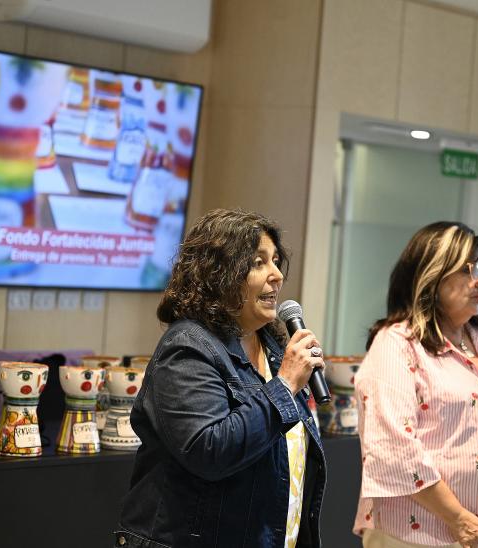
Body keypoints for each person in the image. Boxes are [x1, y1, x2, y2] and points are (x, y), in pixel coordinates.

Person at [115, 208, 326, 548]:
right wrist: (285, 385)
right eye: (258, 262)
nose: (276, 275)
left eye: (275, 260)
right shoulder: (187, 347)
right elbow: (210, 451)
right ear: (219, 274)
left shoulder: (273, 346)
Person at [353, 222, 478, 548]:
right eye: (469, 269)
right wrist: (457, 518)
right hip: (415, 535)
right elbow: (393, 448)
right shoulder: (396, 344)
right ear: (432, 276)